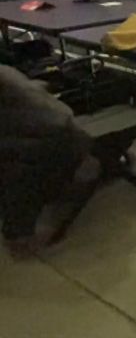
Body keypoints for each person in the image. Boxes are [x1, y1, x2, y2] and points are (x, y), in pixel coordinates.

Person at [0, 66, 93, 255]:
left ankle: (19, 234)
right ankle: (19, 234)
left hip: (44, 135)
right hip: (56, 132)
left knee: (18, 169)